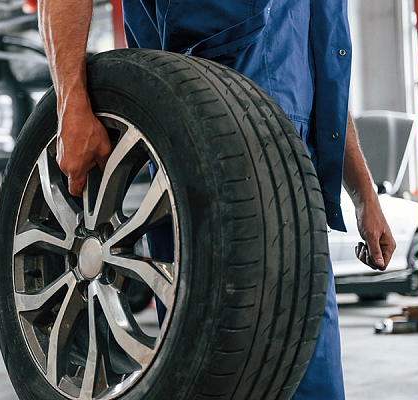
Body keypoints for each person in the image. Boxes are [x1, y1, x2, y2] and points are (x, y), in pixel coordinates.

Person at [37, 0, 397, 398]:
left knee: (310, 378)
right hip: (203, 176)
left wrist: (364, 195)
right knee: (210, 374)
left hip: (296, 200)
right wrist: (70, 104)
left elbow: (327, 91)